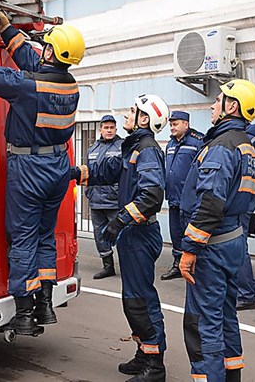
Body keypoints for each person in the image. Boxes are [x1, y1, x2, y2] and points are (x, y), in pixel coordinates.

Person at [0, 13, 84, 336]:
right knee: (44, 235)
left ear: (51, 53)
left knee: (23, 238)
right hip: (58, 167)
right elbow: (34, 62)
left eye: (46, 46)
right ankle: (45, 303)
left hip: (29, 169)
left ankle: (23, 313)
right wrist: (7, 30)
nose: (42, 49)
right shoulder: (69, 86)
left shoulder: (28, 87)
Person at [71, 94, 169, 382]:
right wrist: (74, 173)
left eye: (133, 111)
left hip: (140, 233)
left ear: (144, 119)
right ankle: (144, 352)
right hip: (132, 233)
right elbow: (107, 171)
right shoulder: (133, 147)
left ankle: (154, 366)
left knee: (140, 301)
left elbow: (152, 196)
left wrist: (119, 221)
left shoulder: (147, 149)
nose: (127, 114)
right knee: (132, 300)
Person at [179, 79, 255, 382]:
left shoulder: (222, 146)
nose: (213, 105)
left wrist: (190, 249)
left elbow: (211, 201)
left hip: (212, 245)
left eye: (219, 100)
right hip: (232, 241)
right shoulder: (248, 147)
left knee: (205, 322)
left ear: (232, 106)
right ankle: (231, 376)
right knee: (227, 314)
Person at [161, 111, 203, 281]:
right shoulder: (170, 144)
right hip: (173, 197)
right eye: (171, 124)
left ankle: (195, 268)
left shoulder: (197, 142)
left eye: (175, 124)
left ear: (186, 124)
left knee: (190, 234)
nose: (172, 127)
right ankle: (178, 264)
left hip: (190, 200)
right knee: (176, 233)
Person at [85, 115, 124, 279]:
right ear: (100, 130)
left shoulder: (122, 146)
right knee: (100, 236)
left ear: (116, 129)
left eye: (112, 128)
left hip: (114, 201)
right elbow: (88, 172)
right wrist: (89, 192)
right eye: (106, 128)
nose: (109, 130)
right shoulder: (92, 149)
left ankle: (128, 267)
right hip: (96, 201)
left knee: (122, 236)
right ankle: (107, 266)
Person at [235, 123, 255, 310]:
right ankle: (252, 289)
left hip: (243, 201)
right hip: (250, 198)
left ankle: (246, 294)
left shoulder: (247, 141)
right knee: (241, 244)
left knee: (239, 246)